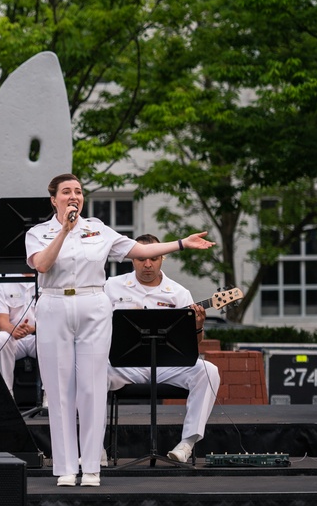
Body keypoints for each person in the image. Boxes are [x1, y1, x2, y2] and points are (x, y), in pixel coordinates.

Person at [25, 173, 214, 487]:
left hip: (92, 304)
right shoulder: (38, 232)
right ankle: (66, 468)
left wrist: (182, 243)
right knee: (59, 390)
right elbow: (42, 265)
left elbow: (138, 251)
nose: (74, 196)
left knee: (92, 386)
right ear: (54, 199)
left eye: (78, 191)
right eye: (66, 192)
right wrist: (64, 231)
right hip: (54, 303)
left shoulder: (97, 229)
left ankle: (92, 468)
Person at [105, 234, 221, 464]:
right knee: (90, 372)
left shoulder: (178, 293)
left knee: (208, 371)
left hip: (166, 364)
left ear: (162, 259)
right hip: (123, 363)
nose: (147, 264)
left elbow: (193, 346)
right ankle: (94, 451)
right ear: (132, 258)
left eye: (154, 258)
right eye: (141, 259)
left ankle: (186, 444)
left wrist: (198, 326)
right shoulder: (111, 286)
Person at [0, 280, 38, 396]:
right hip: (14, 338)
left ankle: (49, 394)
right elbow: (2, 322)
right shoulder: (3, 278)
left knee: (53, 338)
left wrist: (33, 328)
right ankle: (5, 395)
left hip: (37, 337)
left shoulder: (46, 272)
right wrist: (15, 330)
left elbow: (52, 321)